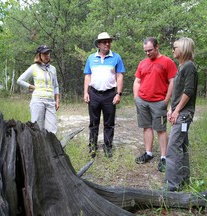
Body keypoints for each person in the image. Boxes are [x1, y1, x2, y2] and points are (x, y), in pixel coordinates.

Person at [133, 37, 177, 172]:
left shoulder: (167, 62)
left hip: (159, 102)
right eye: (145, 51)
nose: (147, 53)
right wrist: (136, 98)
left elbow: (172, 82)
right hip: (143, 101)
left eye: (150, 50)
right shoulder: (143, 63)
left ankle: (164, 157)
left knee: (161, 129)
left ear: (157, 47)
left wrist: (166, 100)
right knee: (146, 127)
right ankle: (148, 153)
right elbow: (137, 81)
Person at [83, 32, 125, 158]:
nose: (107, 44)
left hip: (110, 94)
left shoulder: (116, 57)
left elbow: (120, 76)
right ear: (99, 44)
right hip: (94, 93)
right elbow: (87, 75)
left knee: (109, 123)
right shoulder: (91, 58)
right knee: (93, 122)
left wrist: (118, 94)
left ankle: (107, 147)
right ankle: (93, 147)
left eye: (109, 41)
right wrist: (85, 92)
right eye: (104, 42)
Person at [164, 37, 198, 191]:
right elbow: (178, 93)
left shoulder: (189, 66)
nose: (173, 50)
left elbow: (188, 91)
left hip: (184, 114)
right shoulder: (182, 67)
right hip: (180, 112)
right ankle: (184, 180)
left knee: (172, 147)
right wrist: (171, 109)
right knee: (182, 146)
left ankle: (172, 186)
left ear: (183, 49)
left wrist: (177, 110)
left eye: (175, 47)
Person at [17, 45, 60, 134]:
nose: (47, 55)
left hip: (50, 101)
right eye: (44, 54)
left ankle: (50, 147)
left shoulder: (53, 69)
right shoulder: (34, 67)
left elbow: (55, 86)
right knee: (37, 128)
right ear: (39, 55)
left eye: (48, 53)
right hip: (38, 101)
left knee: (52, 130)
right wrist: (31, 86)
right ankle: (37, 147)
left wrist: (57, 100)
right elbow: (20, 80)